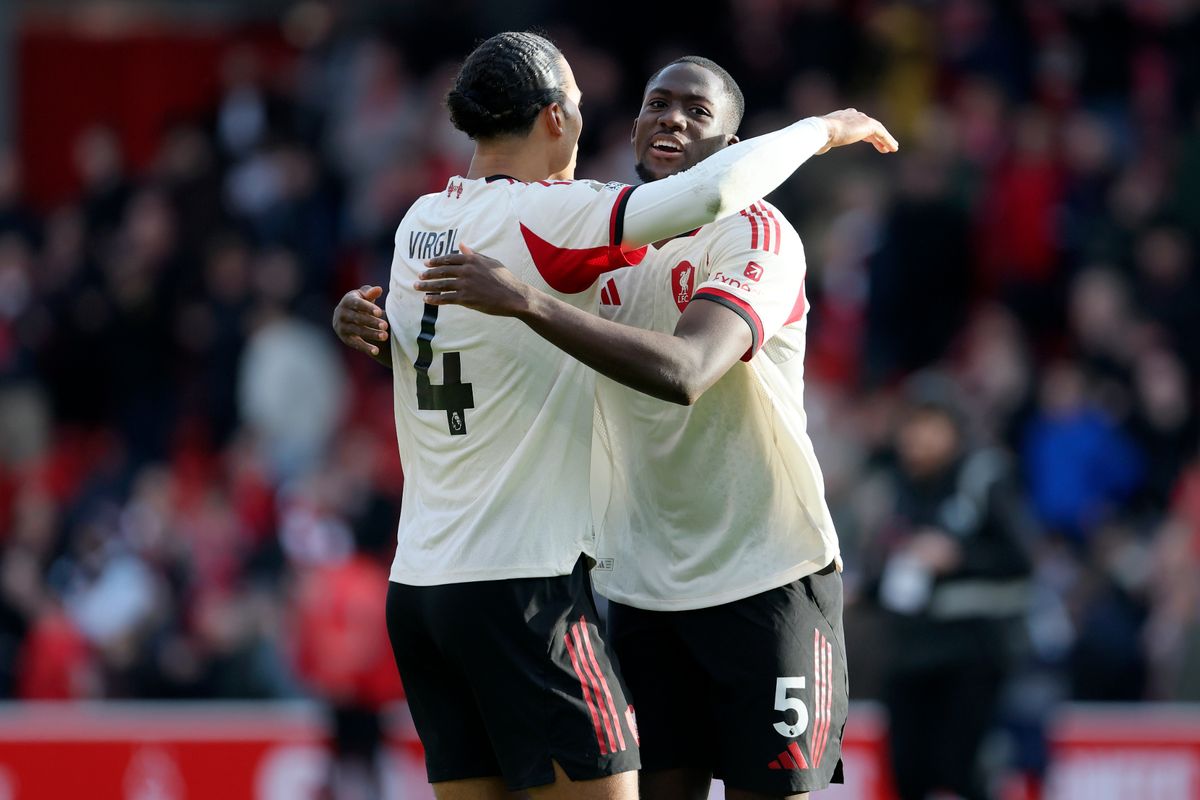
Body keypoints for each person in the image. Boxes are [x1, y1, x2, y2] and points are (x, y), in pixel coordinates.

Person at [336, 49, 895, 800]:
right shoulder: (588, 236)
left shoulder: (755, 236)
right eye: (657, 104)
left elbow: (688, 371)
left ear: (730, 150)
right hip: (642, 586)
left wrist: (528, 306)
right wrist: (388, 333)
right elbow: (492, 355)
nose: (670, 117)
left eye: (696, 112)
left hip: (763, 571)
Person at [861, 373, 1032, 800]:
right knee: (906, 772)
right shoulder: (901, 488)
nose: (916, 438)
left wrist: (958, 555)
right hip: (910, 653)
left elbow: (1022, 561)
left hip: (970, 652)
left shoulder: (982, 479)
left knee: (961, 774)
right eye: (911, 426)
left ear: (953, 429)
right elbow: (897, 574)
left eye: (928, 425)